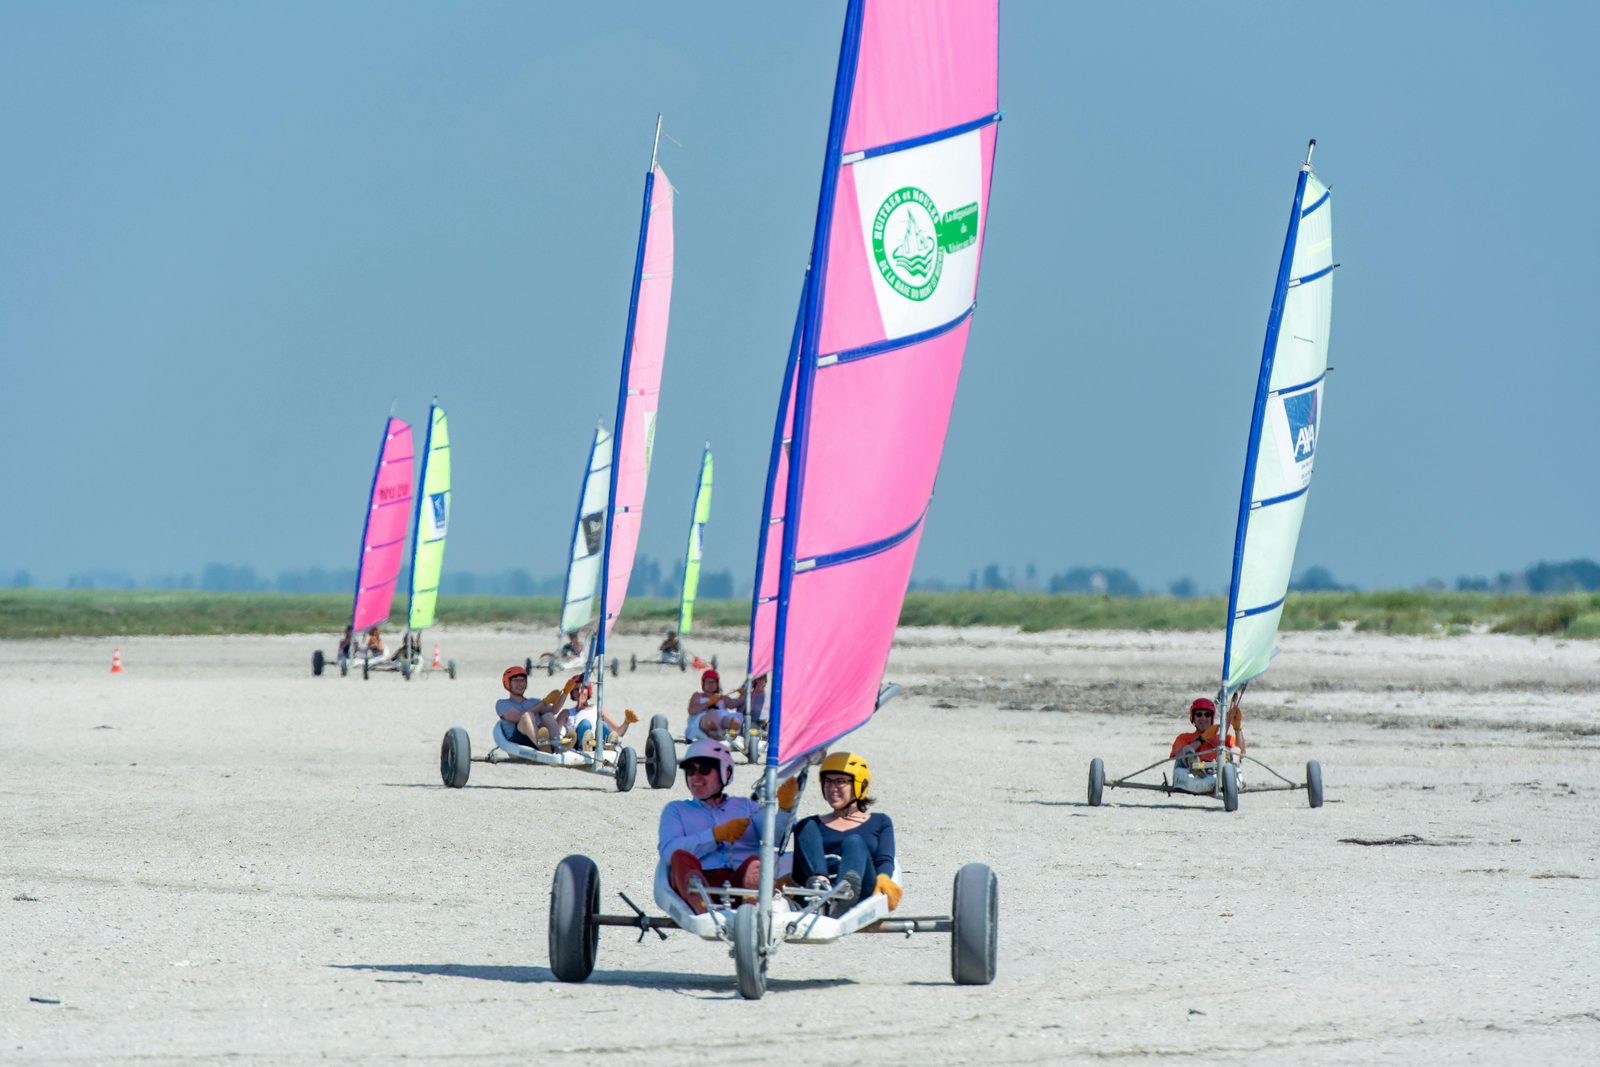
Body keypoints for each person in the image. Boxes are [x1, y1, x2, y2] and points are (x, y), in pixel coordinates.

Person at [658, 739, 797, 914]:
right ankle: (704, 910)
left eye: (705, 769)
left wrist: (785, 810)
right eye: (691, 770)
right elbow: (668, 853)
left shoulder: (746, 807)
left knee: (756, 863)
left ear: (726, 773)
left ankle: (753, 908)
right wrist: (714, 836)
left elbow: (775, 839)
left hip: (742, 881)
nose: (696, 777)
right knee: (680, 857)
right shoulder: (676, 810)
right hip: (702, 880)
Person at [792, 752, 901, 917]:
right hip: (816, 891)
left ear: (859, 785)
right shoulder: (811, 825)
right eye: (827, 781)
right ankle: (823, 888)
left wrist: (884, 880)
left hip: (861, 890)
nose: (832, 788)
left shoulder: (880, 821)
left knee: (855, 842)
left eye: (840, 781)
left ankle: (842, 894)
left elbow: (885, 859)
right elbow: (797, 868)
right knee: (804, 824)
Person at [497, 666, 575, 750]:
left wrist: (565, 692)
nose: (520, 684)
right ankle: (542, 746)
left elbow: (554, 710)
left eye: (522, 681)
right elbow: (518, 717)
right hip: (518, 740)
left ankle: (557, 745)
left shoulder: (533, 702)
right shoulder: (502, 703)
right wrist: (544, 702)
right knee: (527, 716)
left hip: (540, 735)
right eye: (516, 681)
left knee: (548, 715)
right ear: (508, 683)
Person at [565, 675, 639, 751]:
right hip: (577, 746)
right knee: (585, 724)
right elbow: (556, 733)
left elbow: (619, 732)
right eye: (576, 689)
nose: (580, 692)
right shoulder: (567, 713)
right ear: (572, 693)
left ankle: (609, 746)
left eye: (583, 688)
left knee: (602, 725)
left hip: (598, 744)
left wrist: (626, 722)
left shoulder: (598, 710)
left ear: (588, 691)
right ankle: (585, 747)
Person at [1169, 696, 1245, 767]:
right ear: (1193, 718)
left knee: (1235, 750)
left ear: (1211, 718)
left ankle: (1228, 770)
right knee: (1188, 749)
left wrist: (1237, 728)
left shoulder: (1223, 738)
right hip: (1194, 772)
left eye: (1207, 714)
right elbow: (1178, 756)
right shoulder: (1184, 738)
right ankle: (1197, 769)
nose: (1203, 718)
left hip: (1218, 770)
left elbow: (1241, 753)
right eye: (1199, 714)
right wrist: (1201, 739)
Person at [685, 669, 746, 742]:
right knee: (712, 713)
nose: (711, 685)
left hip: (721, 720)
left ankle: (729, 735)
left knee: (734, 720)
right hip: (704, 721)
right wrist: (708, 703)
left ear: (717, 684)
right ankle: (718, 734)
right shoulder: (698, 696)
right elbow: (691, 711)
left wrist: (743, 694)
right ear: (703, 683)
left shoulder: (721, 697)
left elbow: (734, 704)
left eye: (713, 682)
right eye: (708, 682)